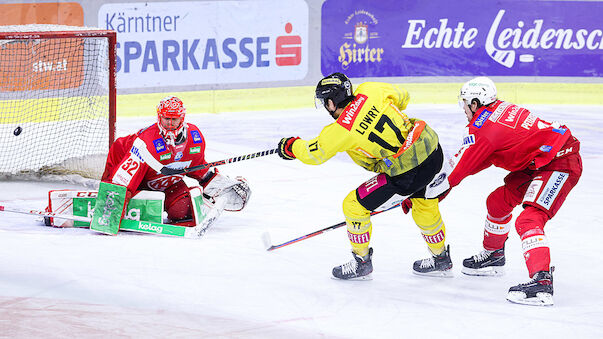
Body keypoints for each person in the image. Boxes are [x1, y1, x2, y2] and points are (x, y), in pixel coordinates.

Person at [414, 77, 582, 306]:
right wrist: (445, 187)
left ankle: (542, 282)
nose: (463, 108)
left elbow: (457, 170)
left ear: (475, 102)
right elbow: (477, 161)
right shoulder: (496, 111)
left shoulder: (484, 129)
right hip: (538, 163)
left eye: (464, 103)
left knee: (529, 220)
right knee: (497, 202)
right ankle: (494, 256)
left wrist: (422, 192)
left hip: (559, 162)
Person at [277, 72, 452, 280]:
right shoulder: (371, 90)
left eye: (325, 102)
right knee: (424, 205)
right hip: (432, 151)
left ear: (331, 103)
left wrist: (290, 146)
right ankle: (441, 258)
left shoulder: (340, 131)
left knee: (353, 206)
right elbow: (403, 97)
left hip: (407, 174)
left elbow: (313, 154)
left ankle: (361, 262)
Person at [101, 95, 251, 231]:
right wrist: (108, 217)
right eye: (167, 119)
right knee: (141, 207)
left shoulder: (195, 137)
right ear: (159, 118)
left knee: (183, 210)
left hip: (166, 183)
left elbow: (197, 167)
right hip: (128, 172)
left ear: (182, 118)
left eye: (174, 119)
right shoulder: (146, 143)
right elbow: (123, 181)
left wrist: (216, 183)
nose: (170, 124)